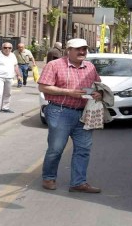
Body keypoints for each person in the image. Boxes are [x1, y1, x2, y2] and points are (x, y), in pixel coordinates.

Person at [38, 38, 103, 193]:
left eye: (84, 49)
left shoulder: (90, 67)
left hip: (84, 113)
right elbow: (43, 87)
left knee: (83, 149)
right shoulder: (54, 65)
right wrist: (69, 92)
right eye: (78, 49)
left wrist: (98, 93)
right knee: (56, 148)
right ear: (68, 50)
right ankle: (48, 178)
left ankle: (78, 182)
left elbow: (98, 86)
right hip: (60, 111)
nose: (82, 52)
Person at [0, 42, 23, 116]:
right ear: (2, 48)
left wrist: (19, 75)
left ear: (11, 49)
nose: (7, 49)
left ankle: (5, 108)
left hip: (10, 77)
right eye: (5, 47)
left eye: (9, 48)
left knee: (8, 93)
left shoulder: (13, 55)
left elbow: (15, 66)